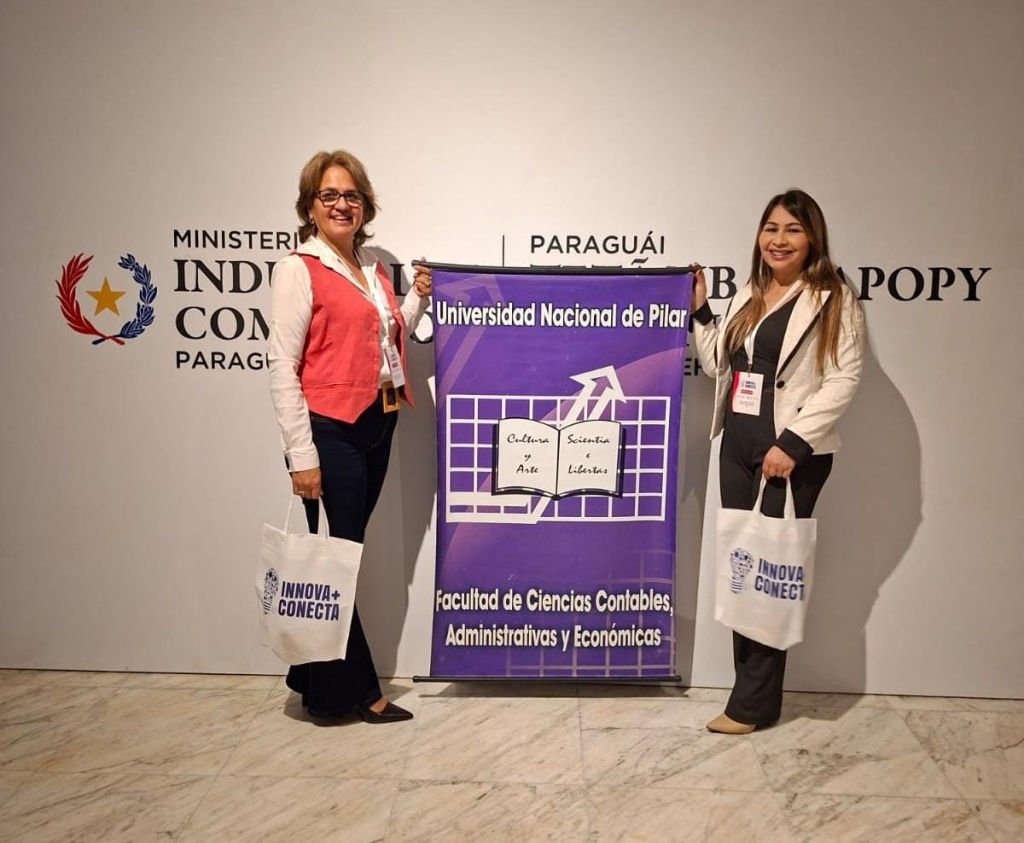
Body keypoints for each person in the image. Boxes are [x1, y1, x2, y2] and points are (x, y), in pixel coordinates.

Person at [690, 188, 865, 734]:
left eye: (792, 229)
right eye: (771, 228)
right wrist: (701, 310)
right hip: (737, 449)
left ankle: (751, 707)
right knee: (743, 572)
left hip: (787, 455)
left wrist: (792, 444)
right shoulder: (750, 292)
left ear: (812, 237)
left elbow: (844, 378)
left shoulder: (834, 298)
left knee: (770, 576)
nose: (779, 240)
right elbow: (719, 364)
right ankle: (750, 698)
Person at [268, 149, 432, 723]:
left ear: (365, 205)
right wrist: (301, 456)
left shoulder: (371, 269)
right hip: (329, 429)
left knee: (343, 558)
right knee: (337, 558)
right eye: (330, 195)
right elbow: (282, 367)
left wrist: (415, 300)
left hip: (378, 423)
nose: (342, 204)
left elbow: (386, 336)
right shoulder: (298, 268)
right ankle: (361, 691)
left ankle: (317, 682)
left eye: (352, 195)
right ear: (310, 206)